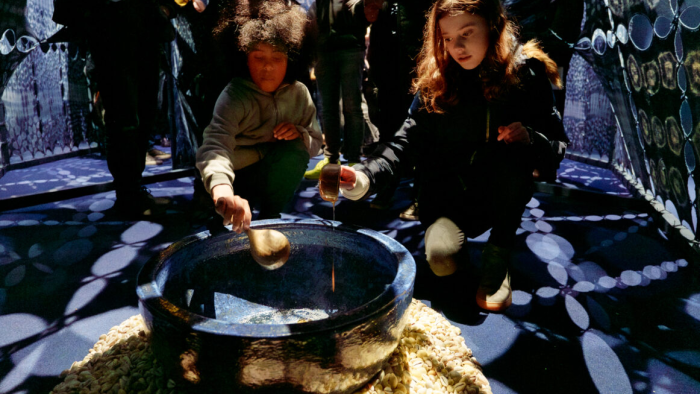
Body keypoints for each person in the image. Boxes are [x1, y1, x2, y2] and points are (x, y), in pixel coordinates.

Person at [335, 0, 569, 312]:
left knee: (516, 153)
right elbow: (403, 143)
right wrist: (366, 175)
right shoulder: (437, 81)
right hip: (446, 196)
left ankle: (498, 255)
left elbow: (557, 144)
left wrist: (532, 139)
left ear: (493, 27)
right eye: (446, 37)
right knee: (441, 260)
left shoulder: (526, 75)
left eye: (467, 33)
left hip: (499, 195)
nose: (456, 47)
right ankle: (457, 254)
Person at [52, 0, 207, 217]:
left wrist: (166, 7)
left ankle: (132, 190)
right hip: (109, 20)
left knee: (144, 108)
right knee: (124, 113)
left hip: (143, 20)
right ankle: (128, 193)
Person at [196, 0, 323, 232]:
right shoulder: (234, 95)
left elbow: (315, 146)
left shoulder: (299, 93)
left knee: (295, 148)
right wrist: (223, 191)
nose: (268, 68)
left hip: (270, 173)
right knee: (221, 234)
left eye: (277, 58)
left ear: (292, 59)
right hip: (234, 177)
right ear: (243, 56)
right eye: (258, 58)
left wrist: (301, 133)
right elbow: (215, 146)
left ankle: (270, 216)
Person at [303, 0, 375, 180]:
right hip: (324, 49)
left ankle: (353, 159)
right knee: (329, 108)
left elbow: (363, 10)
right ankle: (331, 159)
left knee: (352, 106)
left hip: (350, 47)